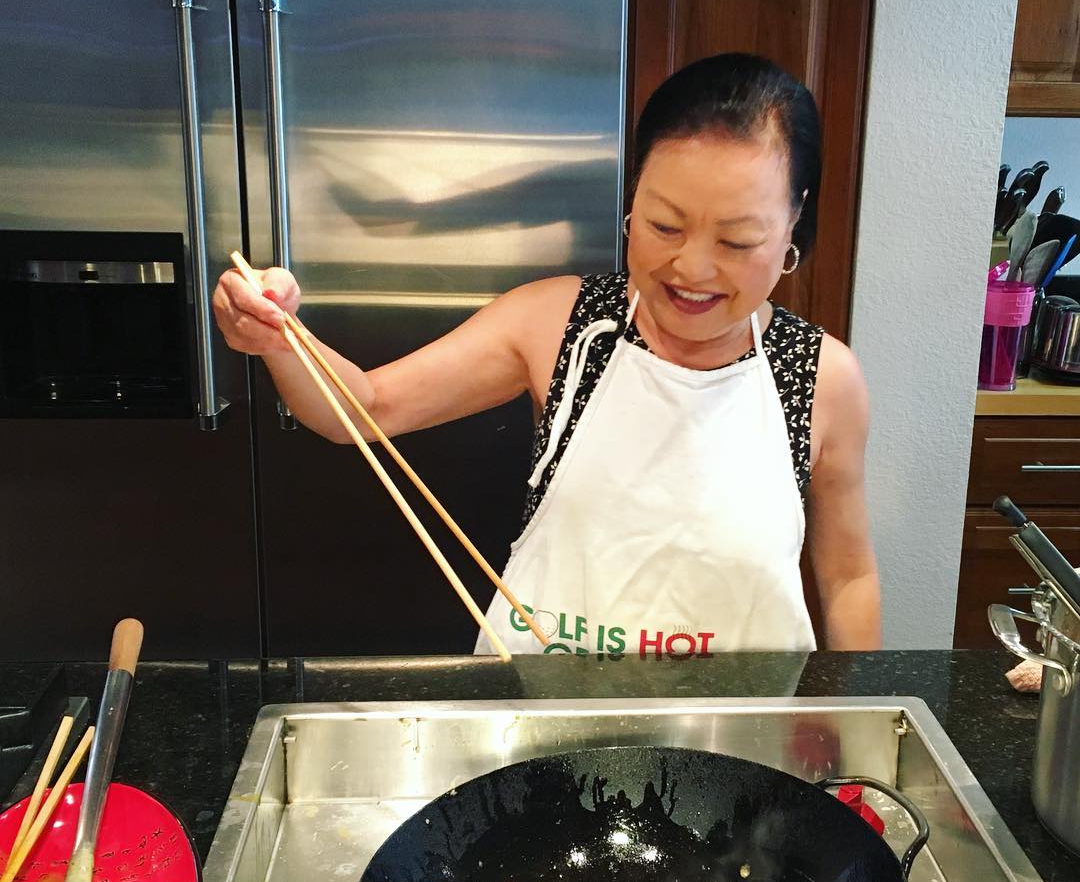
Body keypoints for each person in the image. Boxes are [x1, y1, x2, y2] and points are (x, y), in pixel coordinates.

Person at [213, 52, 882, 655]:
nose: (692, 267)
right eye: (664, 225)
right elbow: (362, 408)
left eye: (737, 241)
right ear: (632, 200)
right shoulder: (561, 323)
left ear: (794, 223)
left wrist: (863, 736)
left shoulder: (822, 378)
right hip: (545, 731)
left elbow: (848, 577)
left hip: (741, 741)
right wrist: (278, 336)